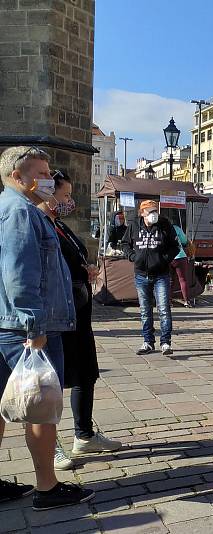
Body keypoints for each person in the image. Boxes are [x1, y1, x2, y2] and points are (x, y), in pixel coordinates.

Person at [0, 146, 94, 510]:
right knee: (39, 405)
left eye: (49, 170)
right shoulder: (21, 212)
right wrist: (33, 325)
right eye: (40, 171)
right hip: (26, 329)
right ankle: (47, 487)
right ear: (17, 177)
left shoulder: (10, 208)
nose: (48, 178)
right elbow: (19, 274)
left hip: (8, 324)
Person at [37, 170, 123, 470]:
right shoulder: (38, 225)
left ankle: (84, 435)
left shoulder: (57, 224)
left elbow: (69, 260)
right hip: (57, 315)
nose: (68, 201)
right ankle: (52, 446)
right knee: (51, 384)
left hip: (78, 311)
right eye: (64, 196)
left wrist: (85, 269)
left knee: (86, 373)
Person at [121, 200, 180, 357]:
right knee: (145, 311)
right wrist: (133, 256)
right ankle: (148, 341)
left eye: (155, 211)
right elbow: (125, 244)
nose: (154, 214)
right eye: (150, 212)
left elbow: (176, 246)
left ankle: (166, 342)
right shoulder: (134, 225)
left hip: (161, 274)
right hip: (141, 274)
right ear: (142, 213)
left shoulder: (164, 224)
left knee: (163, 309)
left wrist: (163, 259)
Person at [171, 220, 193, 307]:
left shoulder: (160, 229)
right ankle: (186, 301)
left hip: (168, 258)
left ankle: (168, 302)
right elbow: (184, 241)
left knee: (169, 280)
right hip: (180, 256)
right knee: (183, 280)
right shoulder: (176, 228)